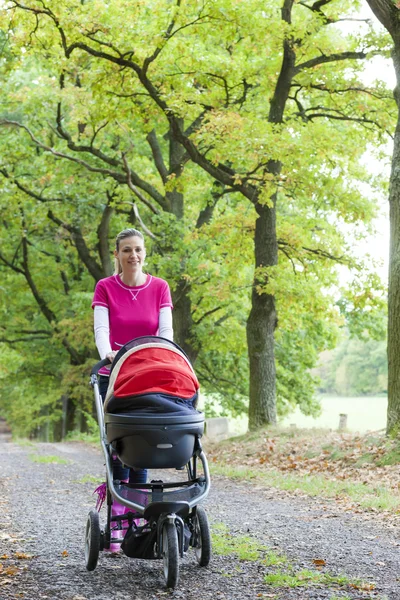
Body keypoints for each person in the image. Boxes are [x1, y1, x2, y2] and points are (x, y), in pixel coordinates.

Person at [92, 227, 173, 549]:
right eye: (126, 250)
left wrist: (160, 352)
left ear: (144, 253)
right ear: (117, 254)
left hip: (149, 372)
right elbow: (102, 329)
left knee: (143, 444)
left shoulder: (160, 287)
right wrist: (108, 355)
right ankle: (117, 516)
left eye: (138, 249)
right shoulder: (106, 287)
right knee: (118, 446)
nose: (133, 255)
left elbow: (165, 329)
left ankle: (137, 516)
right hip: (115, 374)